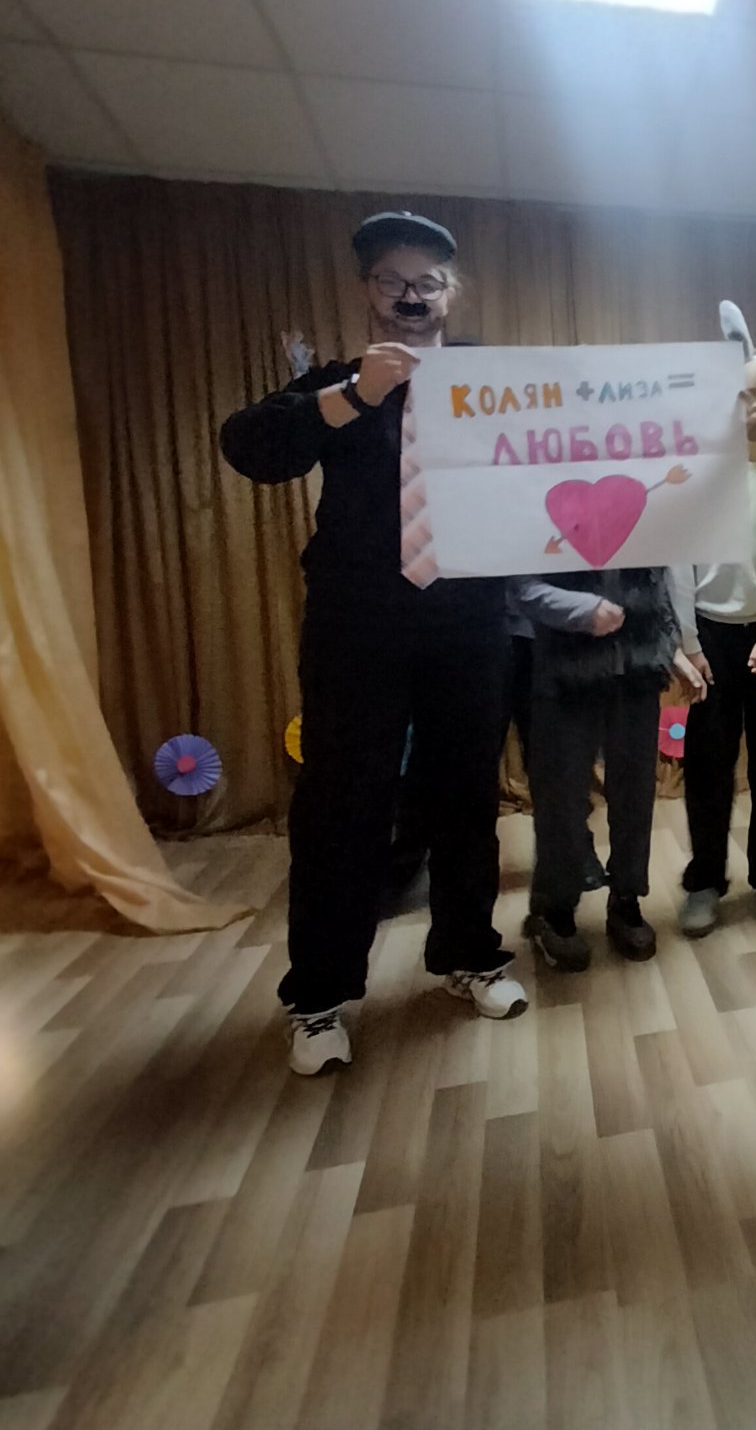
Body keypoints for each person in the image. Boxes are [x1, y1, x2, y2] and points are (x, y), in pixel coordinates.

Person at [220, 211, 525, 1077]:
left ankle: (469, 954)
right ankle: (318, 999)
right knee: (341, 803)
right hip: (358, 623)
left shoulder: (494, 378)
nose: (411, 296)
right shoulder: (335, 384)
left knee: (465, 794)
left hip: (467, 618)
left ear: (451, 292)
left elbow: (593, 429)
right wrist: (353, 396)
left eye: (428, 281)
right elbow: (249, 446)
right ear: (367, 291)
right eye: (393, 280)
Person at [669, 302, 756, 938]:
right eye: (747, 395)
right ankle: (704, 879)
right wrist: (688, 641)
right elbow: (677, 561)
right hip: (710, 639)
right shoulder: (699, 473)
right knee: (708, 765)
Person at [512, 569, 705, 972]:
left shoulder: (646, 524)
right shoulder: (542, 520)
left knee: (635, 793)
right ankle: (554, 910)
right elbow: (520, 587)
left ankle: (626, 899)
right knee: (561, 798)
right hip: (566, 671)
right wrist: (581, 610)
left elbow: (658, 584)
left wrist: (670, 649)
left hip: (637, 672)